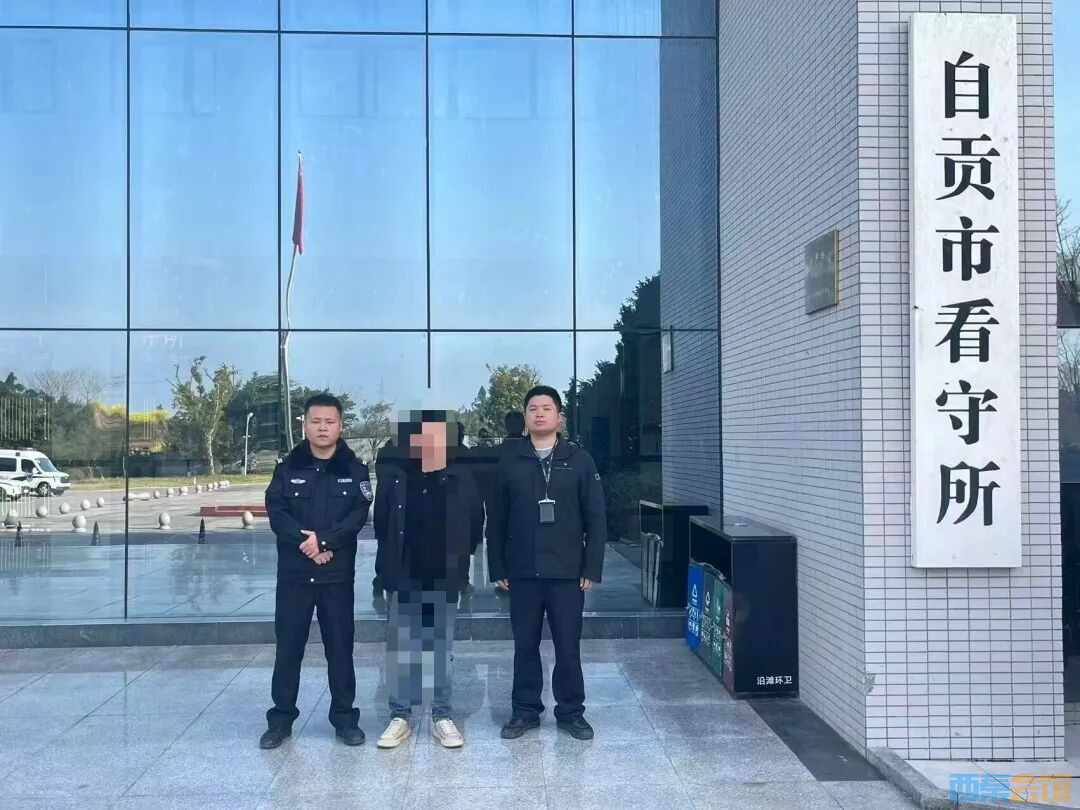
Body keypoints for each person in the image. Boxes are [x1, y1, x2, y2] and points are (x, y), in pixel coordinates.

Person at [487, 386, 607, 741]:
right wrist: (498, 568)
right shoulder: (510, 461)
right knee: (524, 645)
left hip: (567, 573)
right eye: (533, 409)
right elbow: (497, 519)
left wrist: (591, 567)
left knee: (568, 647)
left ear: (559, 417)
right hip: (522, 572)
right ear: (525, 418)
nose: (539, 414)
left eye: (546, 408)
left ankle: (571, 712)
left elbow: (596, 518)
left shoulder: (579, 460)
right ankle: (525, 711)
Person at [261, 394, 372, 749]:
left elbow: (357, 516)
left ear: (341, 425)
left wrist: (323, 542)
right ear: (305, 425)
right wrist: (307, 544)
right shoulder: (287, 467)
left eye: (330, 421)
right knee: (288, 649)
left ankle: (345, 719)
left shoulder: (355, 469)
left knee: (340, 649)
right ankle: (280, 720)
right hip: (294, 578)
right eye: (316, 421)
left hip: (335, 577)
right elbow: (276, 510)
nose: (322, 428)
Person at [373, 411, 483, 750]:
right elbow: (381, 526)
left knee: (440, 651)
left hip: (443, 575)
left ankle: (442, 716)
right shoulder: (395, 477)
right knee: (402, 649)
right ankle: (400, 716)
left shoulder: (461, 477)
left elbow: (475, 524)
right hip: (404, 574)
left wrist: (460, 563)